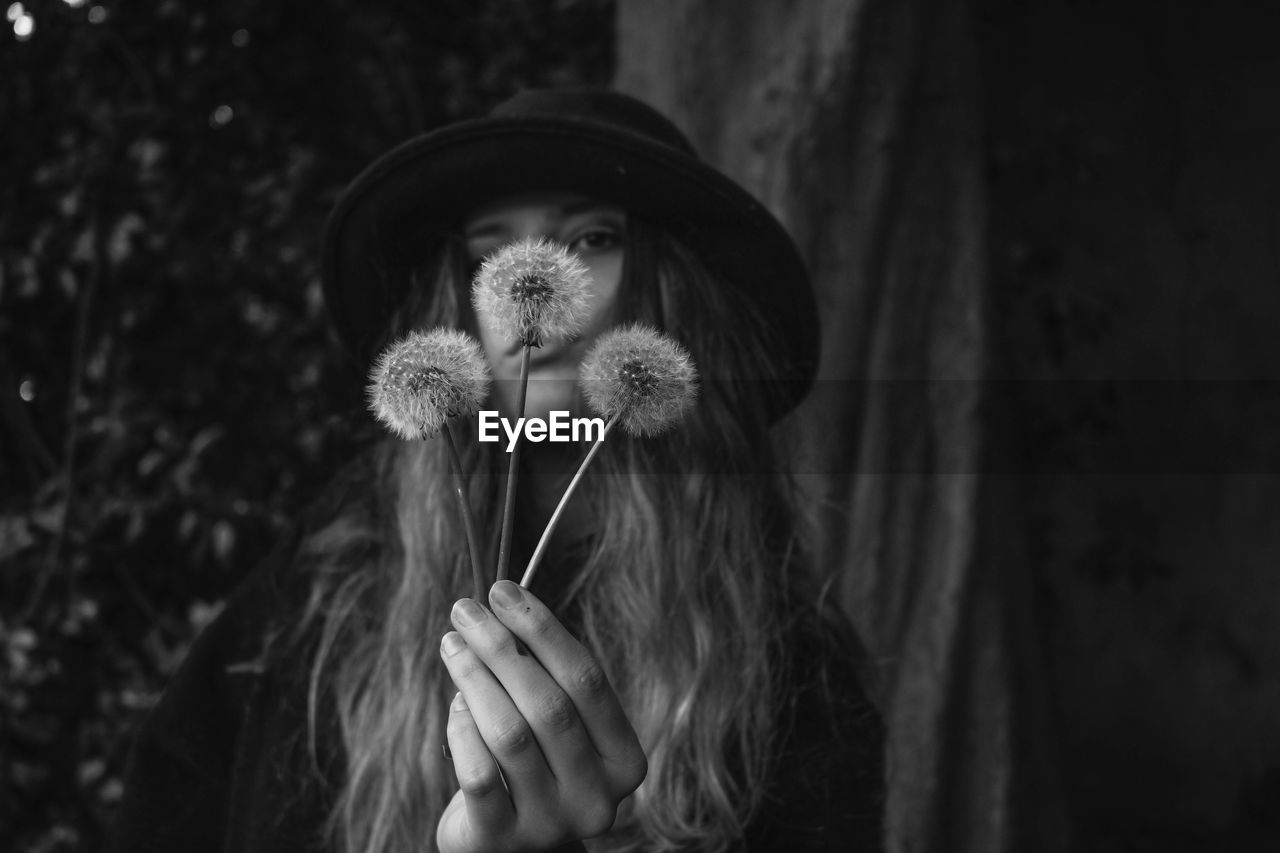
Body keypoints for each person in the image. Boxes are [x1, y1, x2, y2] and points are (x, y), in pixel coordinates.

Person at [111, 89, 884, 853]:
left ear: (671, 294)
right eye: (491, 249)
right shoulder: (335, 572)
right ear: (458, 299)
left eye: (591, 239)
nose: (531, 278)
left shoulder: (781, 659)